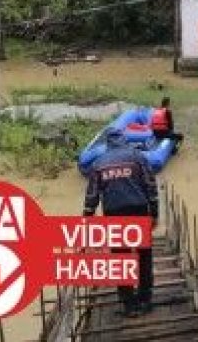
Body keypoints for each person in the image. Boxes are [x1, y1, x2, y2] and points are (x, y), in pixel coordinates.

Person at [83, 128, 158, 317]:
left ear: (108, 143)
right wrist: (155, 213)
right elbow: (150, 185)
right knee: (143, 256)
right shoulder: (138, 157)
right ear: (124, 140)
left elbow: (91, 197)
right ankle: (145, 299)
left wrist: (87, 220)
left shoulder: (98, 164)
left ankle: (129, 305)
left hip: (114, 214)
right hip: (139, 210)